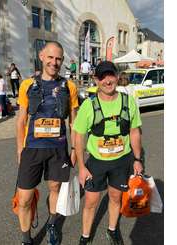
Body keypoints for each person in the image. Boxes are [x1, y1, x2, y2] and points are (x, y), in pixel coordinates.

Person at [73, 61, 143, 245]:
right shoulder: (89, 105)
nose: (107, 80)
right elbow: (79, 137)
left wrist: (137, 159)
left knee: (115, 196)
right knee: (90, 201)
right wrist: (81, 167)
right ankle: (85, 236)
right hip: (97, 162)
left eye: (110, 75)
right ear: (96, 79)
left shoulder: (128, 102)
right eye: (102, 76)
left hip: (121, 160)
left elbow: (135, 131)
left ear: (117, 76)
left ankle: (112, 230)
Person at [16, 41, 79, 245]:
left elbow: (74, 122)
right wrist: (19, 149)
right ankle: (26, 239)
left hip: (58, 149)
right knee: (24, 198)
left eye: (58, 58)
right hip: (32, 148)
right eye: (50, 57)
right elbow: (21, 121)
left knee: (55, 188)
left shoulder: (69, 86)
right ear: (42, 56)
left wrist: (75, 148)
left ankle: (52, 223)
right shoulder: (27, 85)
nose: (55, 62)